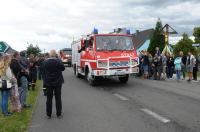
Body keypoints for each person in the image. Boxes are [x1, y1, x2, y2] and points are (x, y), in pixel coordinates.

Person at [41, 50, 65, 118]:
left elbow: (42, 70)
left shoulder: (45, 62)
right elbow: (63, 69)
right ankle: (58, 114)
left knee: (49, 98)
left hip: (48, 82)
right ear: (55, 54)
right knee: (58, 98)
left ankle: (49, 114)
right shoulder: (59, 61)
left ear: (50, 54)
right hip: (58, 82)